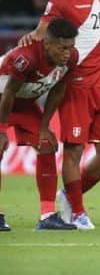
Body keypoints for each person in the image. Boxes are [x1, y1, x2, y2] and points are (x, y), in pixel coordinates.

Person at [18, 0, 100, 230]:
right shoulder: (62, 0)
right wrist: (33, 37)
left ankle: (69, 196)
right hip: (75, 86)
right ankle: (78, 212)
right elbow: (43, 32)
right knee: (74, 151)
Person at [0, 17, 79, 231]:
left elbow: (59, 90)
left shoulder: (71, 59)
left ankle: (47, 216)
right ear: (46, 43)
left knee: (46, 145)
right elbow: (8, 93)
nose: (67, 53)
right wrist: (1, 130)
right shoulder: (25, 58)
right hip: (3, 100)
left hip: (24, 103)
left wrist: (45, 126)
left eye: (70, 48)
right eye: (62, 48)